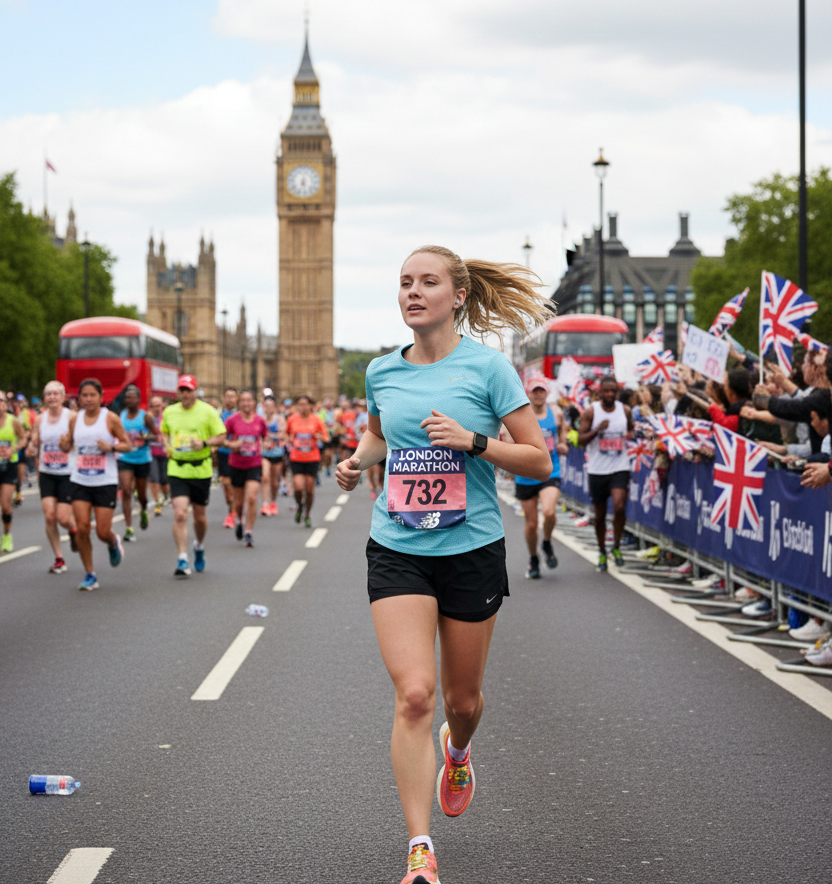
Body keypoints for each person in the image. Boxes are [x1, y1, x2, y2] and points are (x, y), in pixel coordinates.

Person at [336, 245, 551, 884]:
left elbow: (538, 460)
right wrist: (357, 461)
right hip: (398, 544)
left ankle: (457, 753)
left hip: (470, 546)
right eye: (404, 282)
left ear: (457, 296)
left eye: (427, 282)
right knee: (414, 695)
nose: (413, 292)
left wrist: (476, 442)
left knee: (463, 699)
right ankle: (420, 849)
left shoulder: (488, 370)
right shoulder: (381, 371)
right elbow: (381, 433)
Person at [60, 378, 132, 590]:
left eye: (93, 395)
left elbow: (127, 445)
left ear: (101, 397)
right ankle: (90, 574)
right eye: (84, 395)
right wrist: (64, 444)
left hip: (105, 481)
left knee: (101, 531)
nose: (88, 399)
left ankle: (112, 541)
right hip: (80, 479)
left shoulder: (110, 418)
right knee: (82, 528)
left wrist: (111, 447)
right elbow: (69, 445)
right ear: (79, 398)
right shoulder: (75, 419)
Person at [160, 375, 227, 577]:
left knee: (199, 517)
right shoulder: (170, 412)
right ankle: (182, 558)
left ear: (195, 392)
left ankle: (198, 545)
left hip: (200, 469)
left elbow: (222, 437)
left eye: (189, 390)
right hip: (177, 468)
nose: (186, 394)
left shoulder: (207, 412)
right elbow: (163, 432)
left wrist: (204, 443)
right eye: (183, 390)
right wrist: (166, 445)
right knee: (180, 514)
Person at [512, 374, 568, 579]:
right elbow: (510, 440)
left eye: (541, 391)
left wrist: (563, 444)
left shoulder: (556, 412)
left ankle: (546, 542)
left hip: (550, 470)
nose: (538, 395)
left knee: (549, 511)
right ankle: (533, 558)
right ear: (528, 393)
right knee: (532, 523)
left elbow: (562, 434)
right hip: (526, 474)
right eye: (535, 391)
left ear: (546, 393)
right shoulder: (520, 414)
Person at [578, 375, 634, 571]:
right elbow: (580, 440)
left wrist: (631, 435)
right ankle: (602, 551)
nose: (610, 394)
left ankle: (616, 546)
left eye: (613, 391)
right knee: (600, 515)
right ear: (600, 392)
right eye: (606, 391)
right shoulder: (592, 412)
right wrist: (597, 430)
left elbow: (632, 431)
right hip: (597, 469)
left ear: (616, 393)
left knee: (619, 506)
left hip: (620, 466)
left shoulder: (625, 411)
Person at [27, 381, 78, 571]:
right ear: (45, 398)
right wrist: (32, 447)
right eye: (48, 394)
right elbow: (35, 439)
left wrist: (68, 444)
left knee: (63, 519)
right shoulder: (40, 419)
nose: (52, 397)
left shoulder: (71, 417)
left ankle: (73, 531)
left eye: (56, 394)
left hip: (67, 473)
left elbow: (79, 441)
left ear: (63, 397)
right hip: (47, 473)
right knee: (49, 517)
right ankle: (59, 558)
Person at [224, 389, 268, 547]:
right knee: (239, 502)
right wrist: (232, 444)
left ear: (254, 403)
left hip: (254, 464)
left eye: (249, 400)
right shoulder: (232, 420)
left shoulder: (259, 421)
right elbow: (223, 439)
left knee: (251, 498)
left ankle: (249, 531)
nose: (246, 403)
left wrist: (267, 445)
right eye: (243, 400)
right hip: (236, 464)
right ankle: (240, 521)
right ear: (239, 403)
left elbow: (265, 438)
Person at [117, 384, 156, 541]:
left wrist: (145, 437)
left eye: (132, 397)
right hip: (125, 458)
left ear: (139, 400)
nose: (129, 400)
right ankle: (129, 528)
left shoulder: (146, 417)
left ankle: (143, 508)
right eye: (127, 397)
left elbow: (156, 436)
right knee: (126, 491)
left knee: (141, 495)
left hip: (142, 459)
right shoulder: (121, 416)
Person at [286, 394, 329, 527]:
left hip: (312, 458)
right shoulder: (292, 419)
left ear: (311, 406)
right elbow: (286, 434)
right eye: (300, 404)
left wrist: (317, 437)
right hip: (296, 458)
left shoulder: (316, 420)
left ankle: (307, 514)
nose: (303, 407)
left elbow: (326, 437)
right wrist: (289, 439)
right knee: (298, 488)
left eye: (305, 404)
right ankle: (300, 506)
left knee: (309, 490)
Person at [0, 391, 25, 552]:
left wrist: (13, 449)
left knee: (6, 506)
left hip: (8, 467)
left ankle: (7, 536)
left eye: (1, 400)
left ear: (5, 404)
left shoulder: (13, 421)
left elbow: (23, 439)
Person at [260, 395, 286, 516]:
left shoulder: (279, 419)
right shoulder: (260, 420)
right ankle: (265, 504)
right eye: (266, 406)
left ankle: (273, 502)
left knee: (274, 481)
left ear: (274, 407)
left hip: (276, 452)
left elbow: (283, 435)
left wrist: (270, 436)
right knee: (265, 478)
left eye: (270, 406)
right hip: (264, 453)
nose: (268, 408)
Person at [217, 387, 238, 529]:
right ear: (223, 399)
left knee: (234, 484)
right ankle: (231, 507)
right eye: (227, 396)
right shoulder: (217, 415)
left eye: (232, 396)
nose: (230, 399)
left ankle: (234, 511)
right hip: (223, 453)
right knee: (226, 483)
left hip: (236, 454)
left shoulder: (241, 415)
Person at [147, 396, 170, 515]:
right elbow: (142, 433)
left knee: (164, 482)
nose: (156, 408)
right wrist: (150, 436)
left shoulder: (166, 418)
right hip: (151, 453)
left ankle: (166, 496)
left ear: (162, 406)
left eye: (158, 406)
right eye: (153, 406)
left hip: (164, 453)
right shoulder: (147, 418)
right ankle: (157, 503)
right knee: (154, 479)